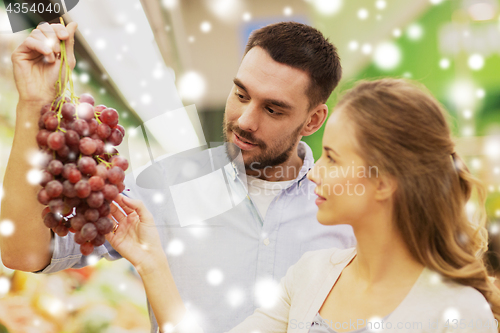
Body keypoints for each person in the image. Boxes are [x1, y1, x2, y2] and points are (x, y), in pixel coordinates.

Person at [0, 21, 356, 333]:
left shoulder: (348, 215)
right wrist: (32, 104)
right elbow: (23, 254)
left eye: (273, 109)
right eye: (241, 94)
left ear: (312, 121)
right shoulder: (167, 185)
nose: (246, 120)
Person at [107, 78, 500, 333]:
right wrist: (151, 262)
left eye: (332, 158)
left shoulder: (460, 314)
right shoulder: (312, 276)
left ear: (382, 182)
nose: (314, 172)